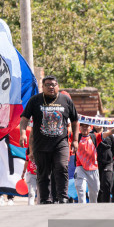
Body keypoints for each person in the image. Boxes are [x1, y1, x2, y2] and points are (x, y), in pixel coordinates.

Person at [20, 76, 79, 204]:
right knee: (43, 173)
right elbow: (24, 118)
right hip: (41, 145)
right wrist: (23, 134)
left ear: (57, 86)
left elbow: (75, 120)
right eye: (47, 85)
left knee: (62, 167)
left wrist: (75, 140)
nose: (51, 87)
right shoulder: (35, 100)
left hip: (61, 143)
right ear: (43, 87)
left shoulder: (66, 100)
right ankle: (46, 199)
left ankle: (63, 197)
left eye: (53, 84)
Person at [95, 125, 114, 203]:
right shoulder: (91, 135)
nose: (97, 125)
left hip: (108, 163)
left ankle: (106, 204)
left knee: (107, 184)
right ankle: (98, 204)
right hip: (95, 165)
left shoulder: (110, 135)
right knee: (98, 186)